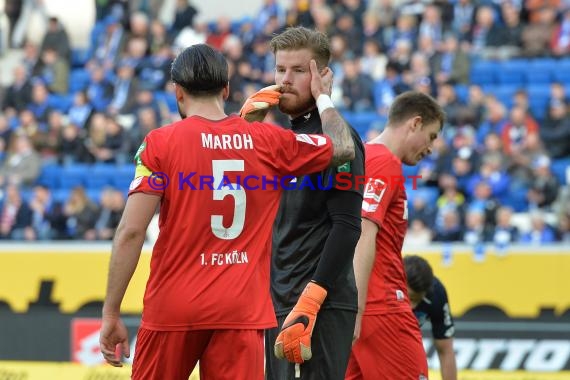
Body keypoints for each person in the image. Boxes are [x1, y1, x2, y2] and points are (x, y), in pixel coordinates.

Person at [98, 43, 356, 380]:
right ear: (226, 89)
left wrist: (111, 312)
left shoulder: (160, 143)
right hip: (241, 311)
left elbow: (131, 231)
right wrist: (324, 97)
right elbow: (343, 146)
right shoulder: (268, 140)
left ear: (178, 92)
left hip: (174, 307)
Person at [241, 26, 365, 380]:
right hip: (279, 298)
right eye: (280, 70)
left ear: (322, 76)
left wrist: (312, 300)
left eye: (298, 70)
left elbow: (347, 226)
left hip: (316, 303)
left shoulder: (337, 138)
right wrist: (243, 127)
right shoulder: (281, 139)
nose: (285, 80)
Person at [347, 91, 445, 380]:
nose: (430, 148)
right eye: (432, 136)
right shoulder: (384, 163)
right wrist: (358, 307)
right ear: (415, 123)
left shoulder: (364, 157)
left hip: (365, 308)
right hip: (382, 307)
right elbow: (363, 233)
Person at [404, 254, 458, 380]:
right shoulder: (380, 285)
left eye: (417, 300)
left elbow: (445, 350)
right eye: (409, 298)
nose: (412, 307)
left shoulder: (436, 294)